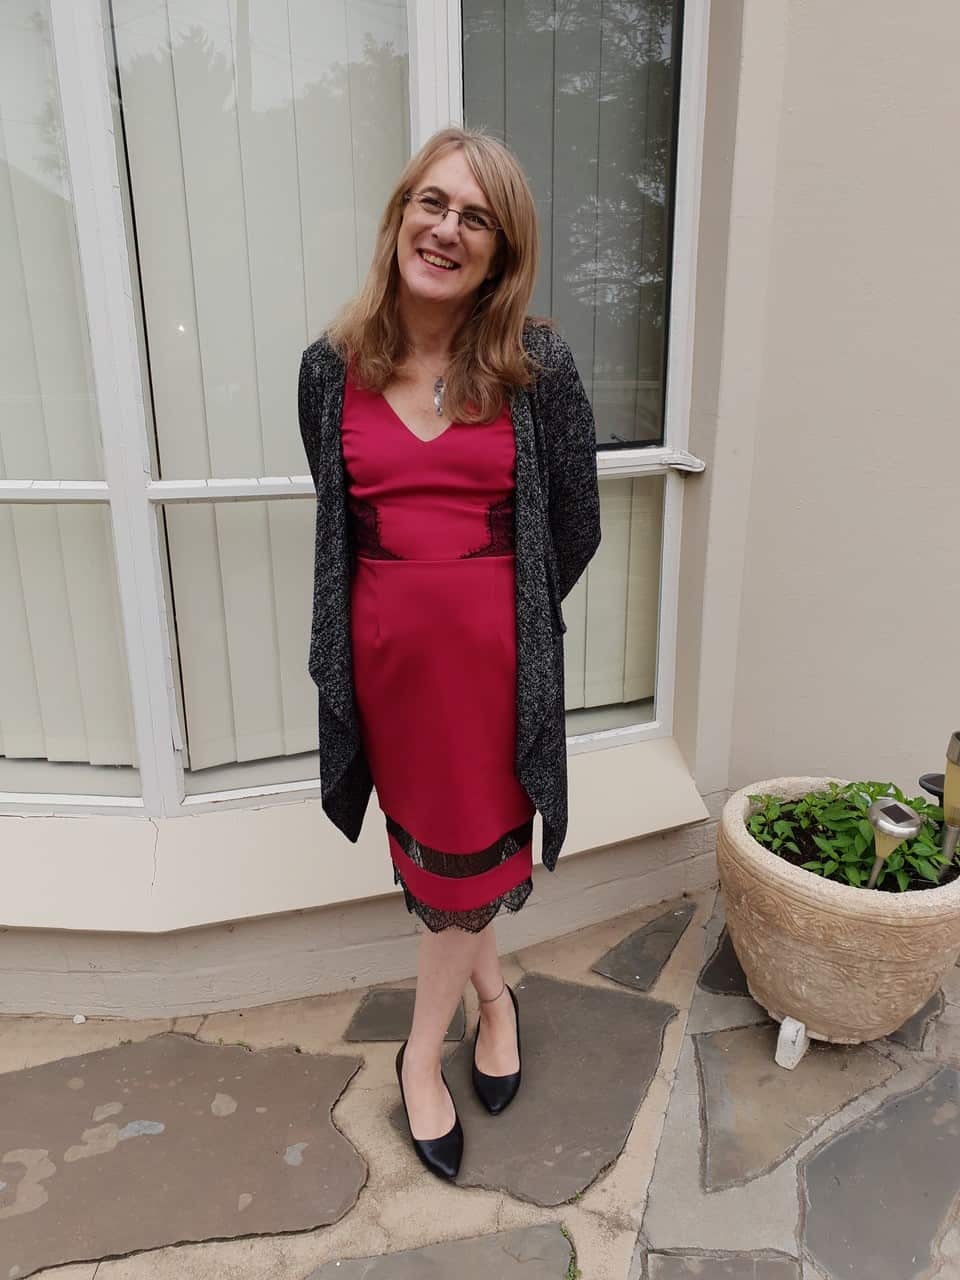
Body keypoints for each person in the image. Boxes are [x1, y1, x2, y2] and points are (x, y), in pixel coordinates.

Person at [297, 126, 601, 1181]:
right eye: (433, 202)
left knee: (462, 869)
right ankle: (490, 996)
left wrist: (495, 610)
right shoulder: (328, 369)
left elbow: (576, 523)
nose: (447, 229)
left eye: (476, 217)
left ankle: (418, 1056)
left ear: (501, 251)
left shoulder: (539, 368)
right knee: (445, 864)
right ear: (399, 216)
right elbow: (342, 523)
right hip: (388, 675)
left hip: (495, 680)